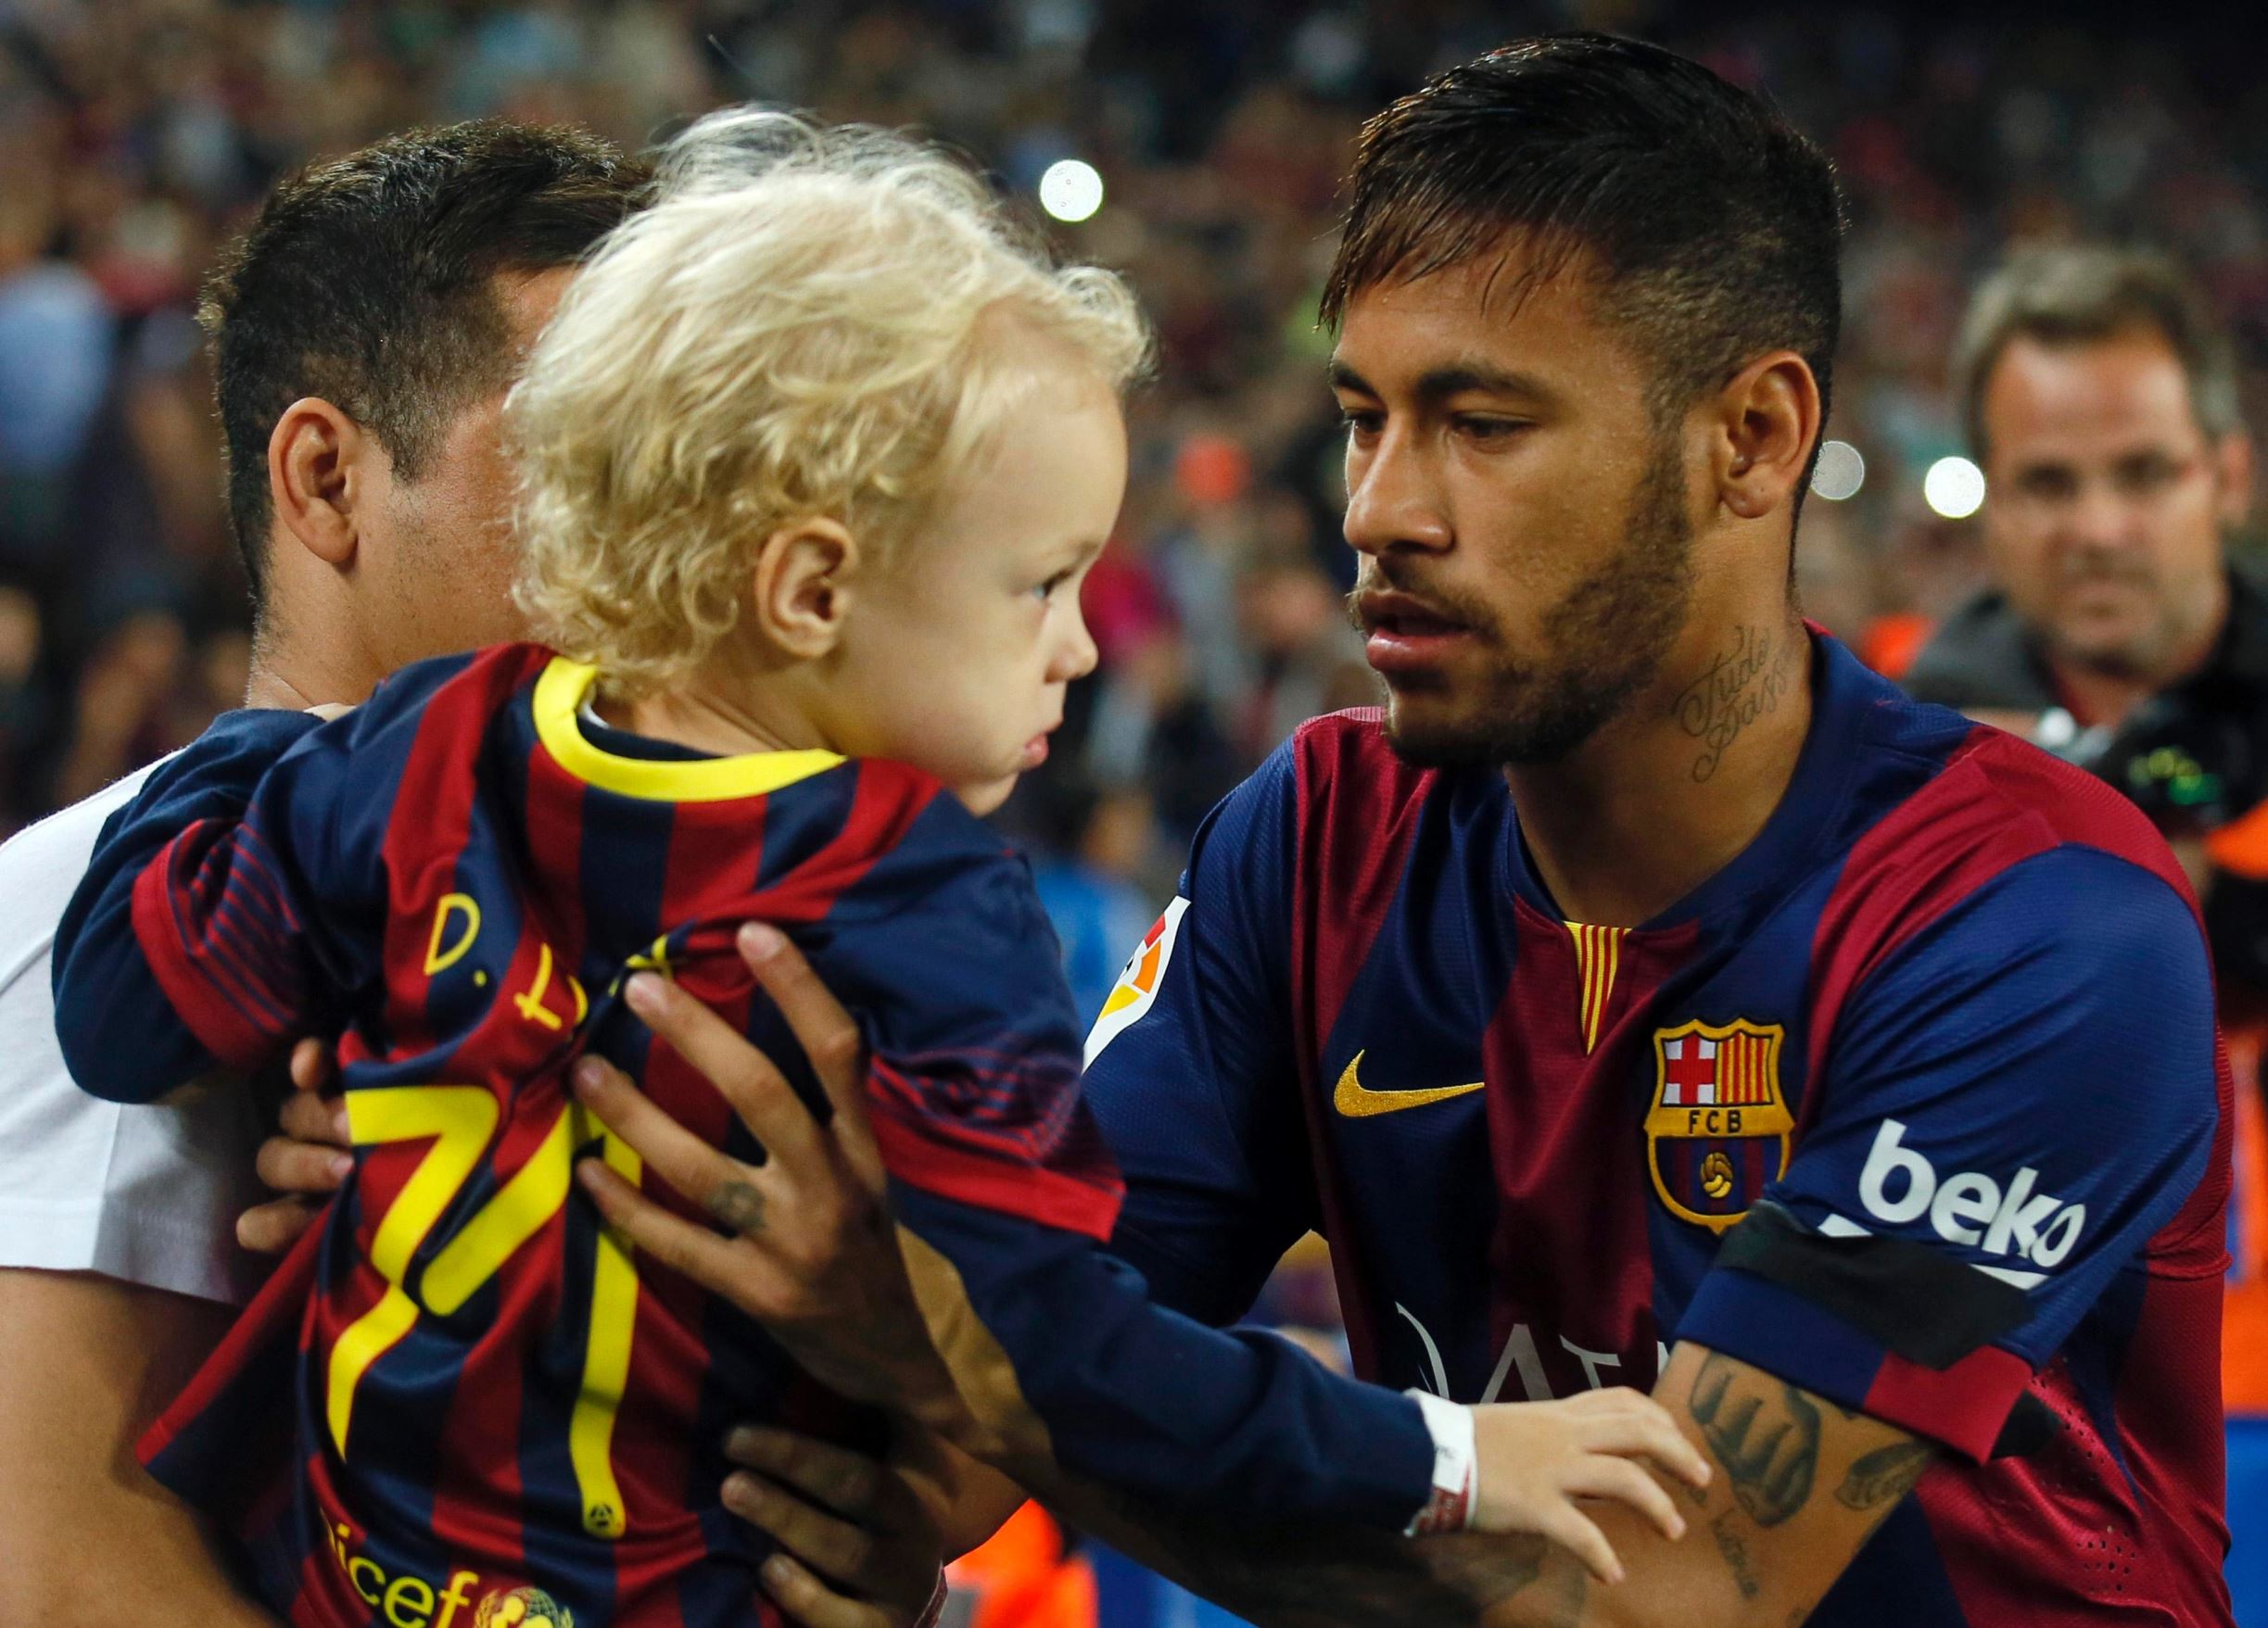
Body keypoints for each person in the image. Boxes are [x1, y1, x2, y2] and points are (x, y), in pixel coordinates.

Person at [556, 36, 2234, 1627]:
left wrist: (992, 1375)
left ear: (1751, 438)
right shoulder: (1313, 843)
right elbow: (980, 1387)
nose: (1377, 509)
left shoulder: (2033, 917)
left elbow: (1661, 1587)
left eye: (1480, 426)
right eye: (1364, 416)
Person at [52, 112, 1707, 1628]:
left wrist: (264, 799)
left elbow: (125, 1014)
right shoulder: (917, 899)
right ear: (810, 589)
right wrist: (1451, 1453)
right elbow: (1060, 1358)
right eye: (1036, 583)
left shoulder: (416, 750)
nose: (1077, 648)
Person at [0, 120, 939, 1628]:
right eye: (582, 449)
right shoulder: (126, 912)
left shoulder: (648, 917)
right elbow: (67, 1577)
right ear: (327, 480)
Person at [1903, 246, 2268, 1020]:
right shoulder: (1917, 745)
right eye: (2046, 482)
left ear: (2229, 479)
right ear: (1991, 505)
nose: (2098, 530)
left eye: (2143, 473)